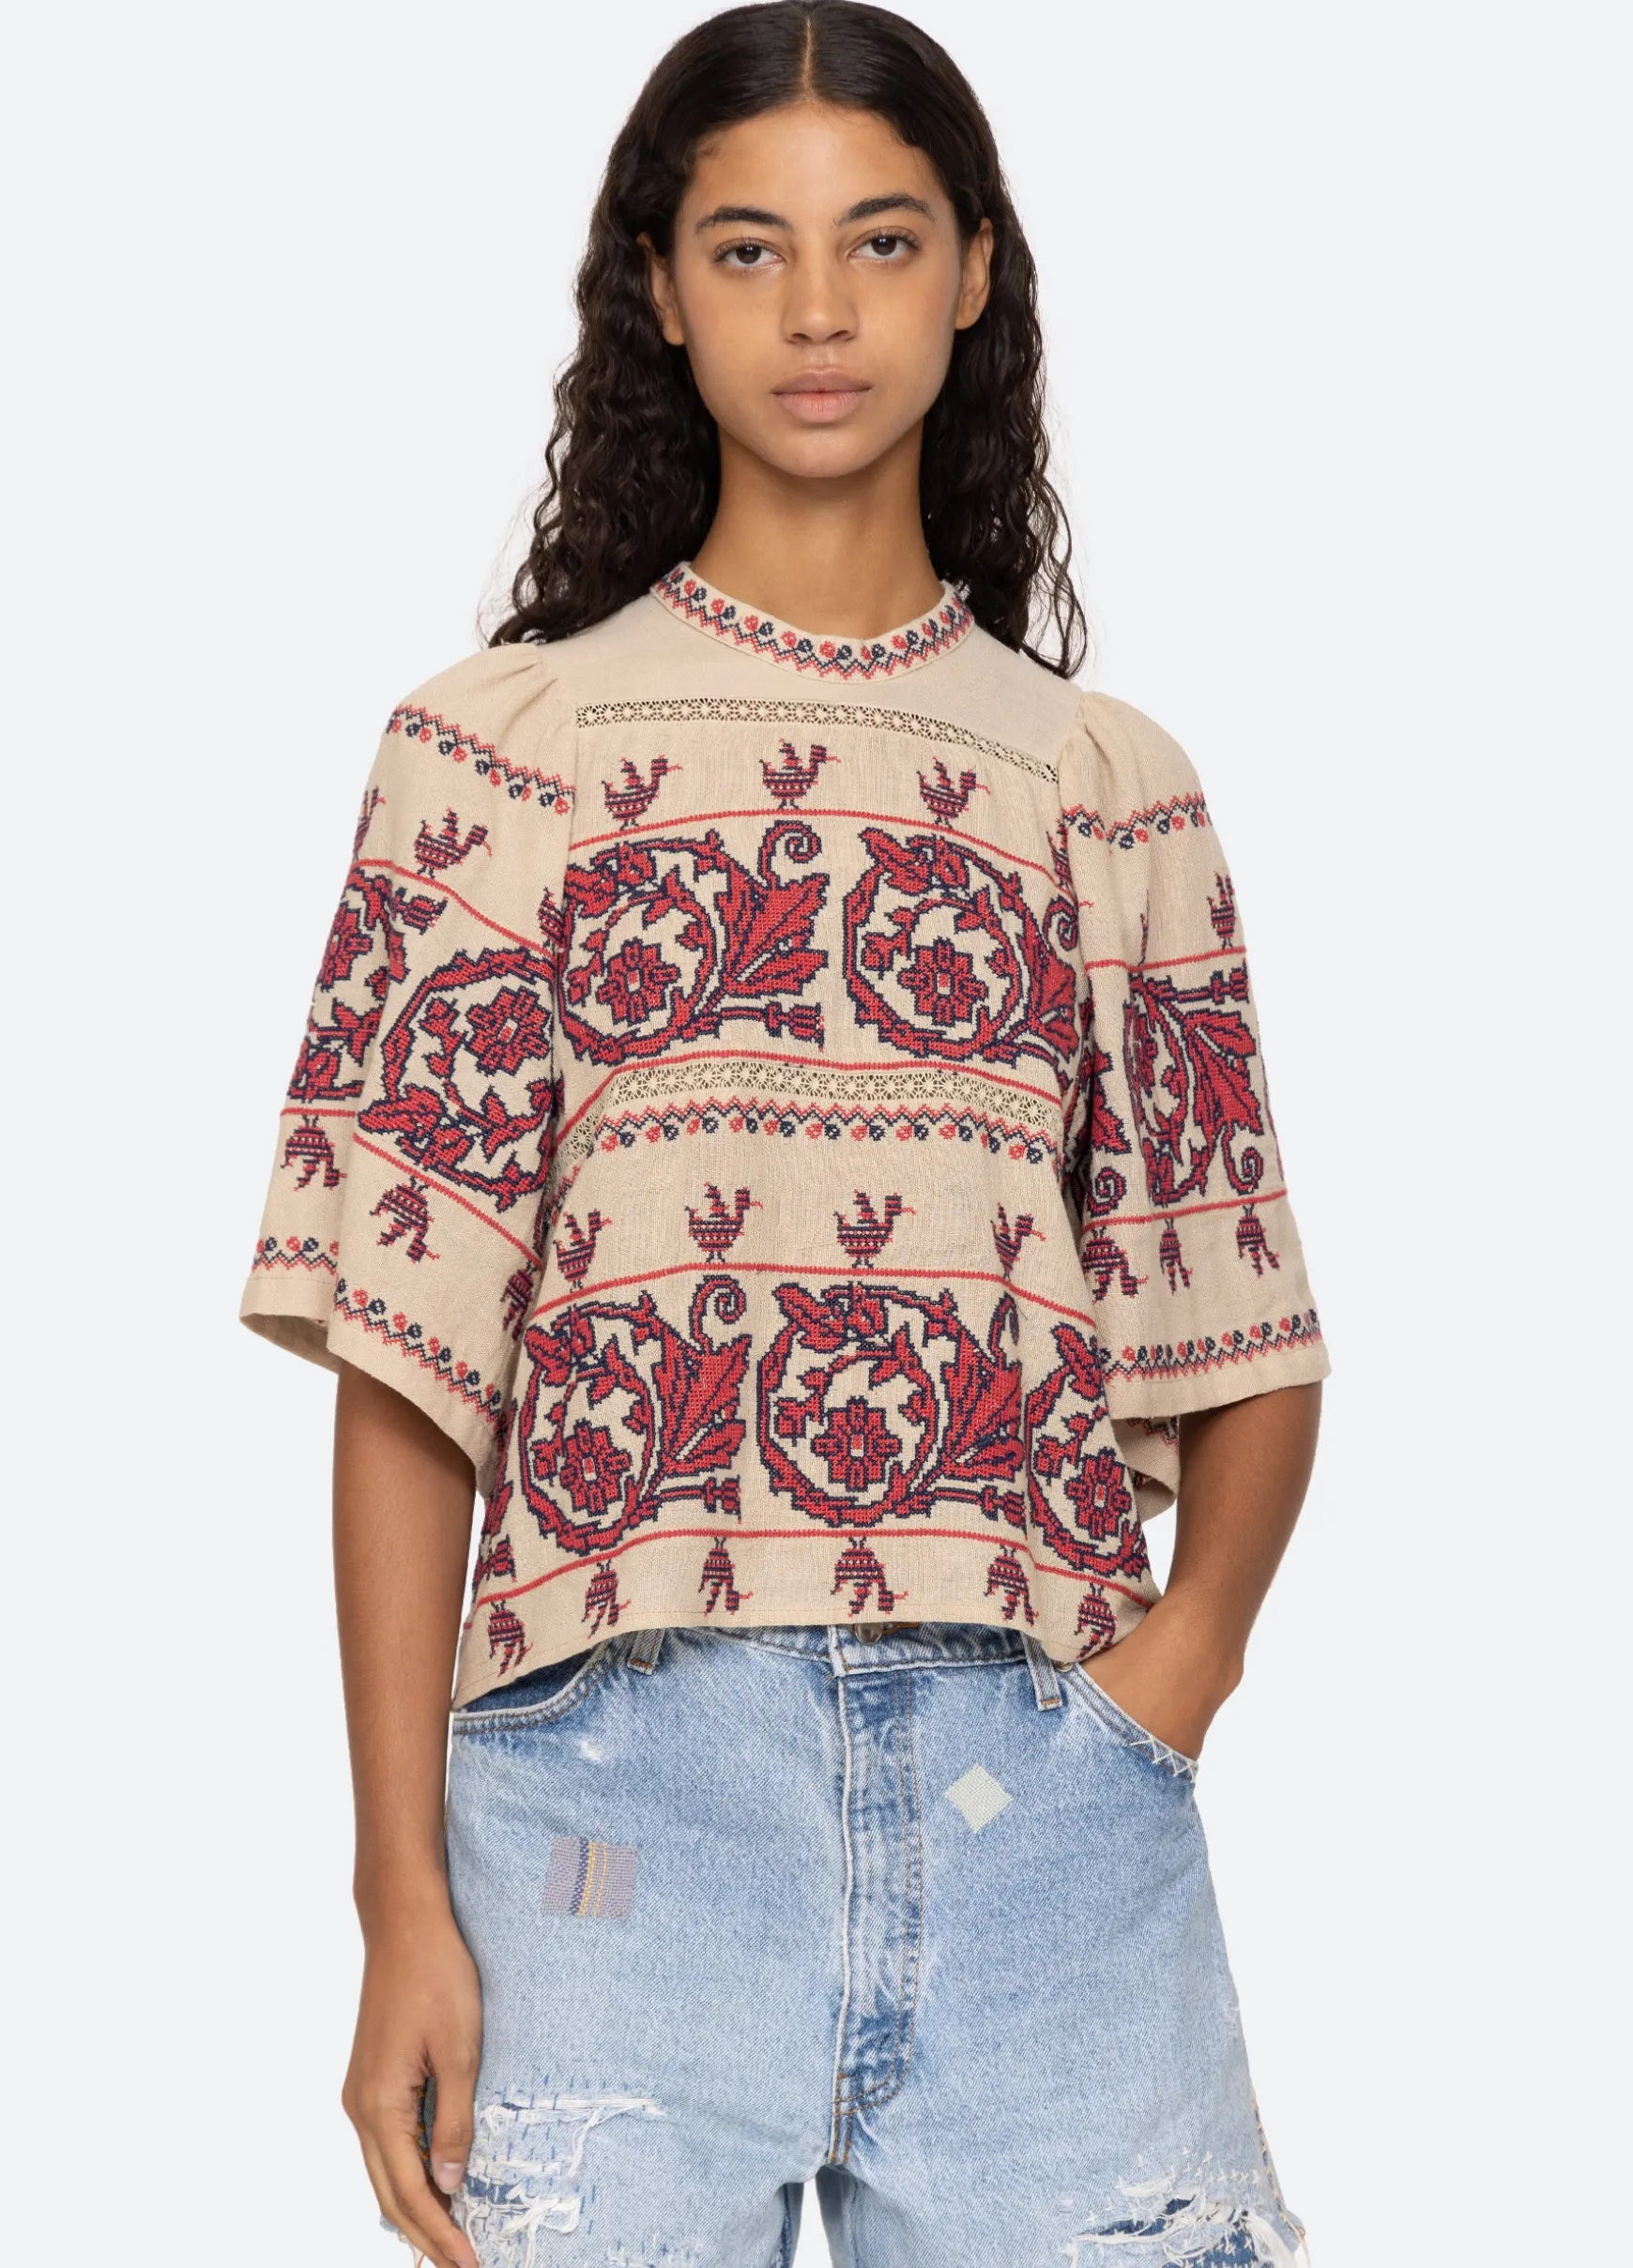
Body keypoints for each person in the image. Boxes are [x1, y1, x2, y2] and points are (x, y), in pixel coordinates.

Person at [238, 6, 1328, 2262]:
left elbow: (1242, 1319)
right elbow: (407, 1368)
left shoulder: (1105, 784)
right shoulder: (500, 757)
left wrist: (1177, 1677)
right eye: (750, 247)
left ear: (976, 272)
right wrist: (396, 1891)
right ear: (657, 285)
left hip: (1046, 1804)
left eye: (881, 240)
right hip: (609, 1821)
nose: (819, 309)